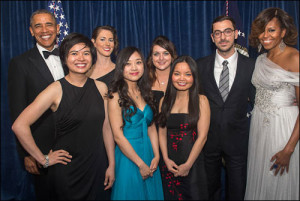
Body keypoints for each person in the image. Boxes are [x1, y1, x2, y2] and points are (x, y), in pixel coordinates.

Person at [12, 32, 115, 200]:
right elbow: (19, 125)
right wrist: (43, 159)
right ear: (65, 58)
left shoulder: (101, 87)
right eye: (74, 53)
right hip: (68, 172)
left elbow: (107, 128)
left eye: (86, 53)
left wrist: (111, 164)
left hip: (97, 168)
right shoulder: (55, 89)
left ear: (92, 57)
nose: (81, 58)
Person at [7, 9, 67, 199]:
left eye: (49, 24)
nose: (44, 30)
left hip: (75, 143)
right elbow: (17, 109)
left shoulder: (73, 58)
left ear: (58, 28)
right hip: (41, 147)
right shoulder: (20, 63)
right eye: (38, 26)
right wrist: (27, 153)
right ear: (31, 31)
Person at [196, 16, 256, 200]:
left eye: (227, 32)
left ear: (236, 34)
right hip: (208, 141)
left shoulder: (252, 66)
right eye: (218, 33)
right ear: (212, 37)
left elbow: (258, 100)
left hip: (239, 140)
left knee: (238, 191)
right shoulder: (199, 66)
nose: (223, 37)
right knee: (209, 190)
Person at [245, 7, 299, 200]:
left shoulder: (295, 57)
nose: (265, 35)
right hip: (259, 127)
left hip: (283, 128)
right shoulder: (260, 59)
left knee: (280, 181)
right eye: (262, 30)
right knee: (262, 180)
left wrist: (289, 149)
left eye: (271, 30)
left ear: (283, 32)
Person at [108, 46, 164, 200]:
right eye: (128, 63)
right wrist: (140, 164)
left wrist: (157, 155)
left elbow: (151, 126)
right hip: (129, 158)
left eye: (138, 62)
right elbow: (118, 137)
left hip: (149, 155)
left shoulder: (146, 92)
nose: (134, 68)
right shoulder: (115, 96)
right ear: (121, 67)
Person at [157, 55, 210, 200]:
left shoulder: (201, 101)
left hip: (193, 166)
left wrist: (188, 165)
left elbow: (202, 137)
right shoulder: (164, 101)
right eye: (177, 73)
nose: (182, 78)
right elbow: (161, 133)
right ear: (171, 76)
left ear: (194, 77)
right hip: (169, 166)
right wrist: (166, 159)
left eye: (188, 74)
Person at [146, 35, 178, 106]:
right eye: (156, 54)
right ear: (151, 57)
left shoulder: (181, 79)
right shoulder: (144, 80)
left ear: (172, 56)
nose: (161, 58)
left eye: (165, 53)